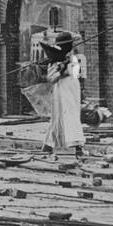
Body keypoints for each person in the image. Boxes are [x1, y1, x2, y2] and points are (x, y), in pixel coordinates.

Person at [40, 29, 85, 160]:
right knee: (57, 116)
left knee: (71, 115)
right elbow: (51, 78)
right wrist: (58, 70)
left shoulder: (73, 60)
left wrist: (66, 67)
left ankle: (77, 146)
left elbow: (76, 74)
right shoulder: (54, 62)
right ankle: (49, 144)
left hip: (71, 89)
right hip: (59, 90)